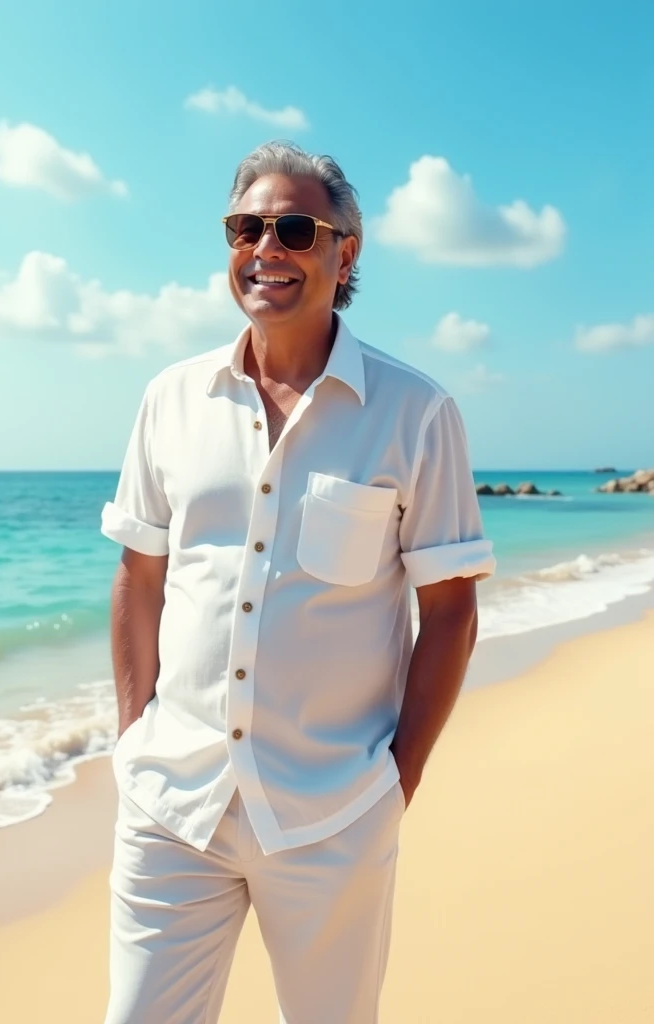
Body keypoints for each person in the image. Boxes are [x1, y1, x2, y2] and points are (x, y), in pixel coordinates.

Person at [100, 140, 496, 1023]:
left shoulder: (416, 413)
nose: (266, 249)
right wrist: (133, 739)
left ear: (344, 253)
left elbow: (452, 609)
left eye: (294, 229)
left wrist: (398, 780)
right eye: (247, 227)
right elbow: (139, 574)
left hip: (332, 815)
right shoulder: (169, 398)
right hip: (172, 802)